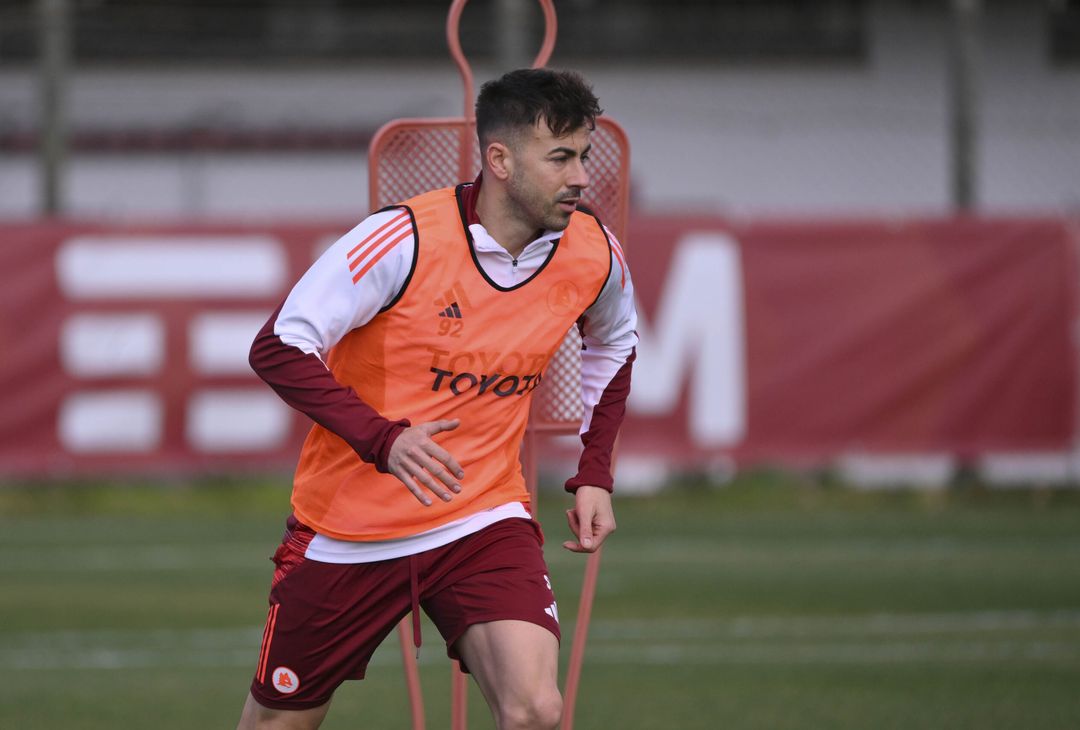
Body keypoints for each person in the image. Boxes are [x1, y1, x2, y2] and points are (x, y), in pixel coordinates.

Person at [237, 68, 637, 730]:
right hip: (349, 529)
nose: (581, 178)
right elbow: (278, 345)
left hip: (481, 515)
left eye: (584, 156)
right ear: (500, 160)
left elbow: (616, 343)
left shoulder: (593, 250)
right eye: (561, 157)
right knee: (279, 723)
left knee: (536, 710)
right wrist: (383, 439)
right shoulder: (403, 238)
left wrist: (594, 472)